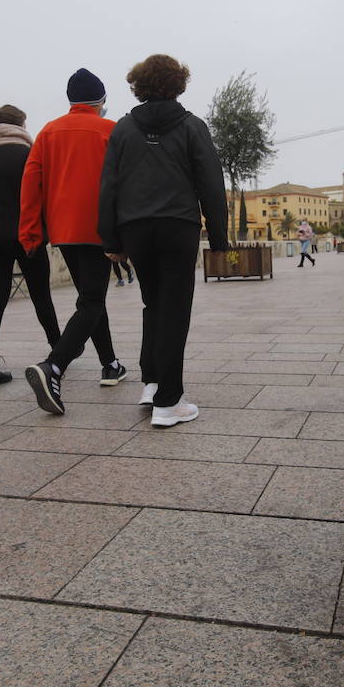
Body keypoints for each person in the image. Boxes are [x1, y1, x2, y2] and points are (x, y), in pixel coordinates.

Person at [99, 53, 229, 427]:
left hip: (136, 228)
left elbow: (109, 186)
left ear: (138, 84)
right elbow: (210, 184)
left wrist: (110, 237)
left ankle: (152, 382)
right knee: (174, 309)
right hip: (178, 226)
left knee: (153, 304)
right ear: (178, 84)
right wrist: (219, 237)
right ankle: (169, 402)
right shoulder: (192, 126)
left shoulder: (122, 129)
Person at [20, 69, 127, 415]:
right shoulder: (111, 131)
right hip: (99, 228)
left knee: (90, 299)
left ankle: (110, 364)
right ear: (102, 101)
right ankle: (54, 366)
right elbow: (125, 182)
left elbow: (30, 184)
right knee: (93, 300)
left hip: (64, 230)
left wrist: (31, 232)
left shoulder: (48, 132)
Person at [0, 104, 63, 388]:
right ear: (21, 126)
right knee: (40, 295)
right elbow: (46, 195)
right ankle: (59, 351)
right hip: (27, 235)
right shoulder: (29, 155)